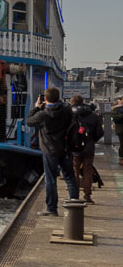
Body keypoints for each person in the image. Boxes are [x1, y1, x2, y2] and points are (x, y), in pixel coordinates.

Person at [26, 87, 79, 216]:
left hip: (49, 150)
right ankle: (76, 208)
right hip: (65, 148)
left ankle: (51, 208)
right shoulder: (67, 110)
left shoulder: (43, 114)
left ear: (45, 99)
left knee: (51, 180)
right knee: (70, 177)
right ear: (58, 97)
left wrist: (36, 107)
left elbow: (29, 121)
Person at [68, 96, 103, 203]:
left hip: (75, 148)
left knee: (75, 171)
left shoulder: (70, 115)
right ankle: (87, 196)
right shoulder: (93, 115)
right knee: (87, 171)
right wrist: (92, 140)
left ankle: (75, 195)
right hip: (89, 147)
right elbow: (100, 133)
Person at [112, 96, 123, 165]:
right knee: (122, 144)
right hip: (121, 129)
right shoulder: (117, 109)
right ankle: (121, 158)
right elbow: (115, 118)